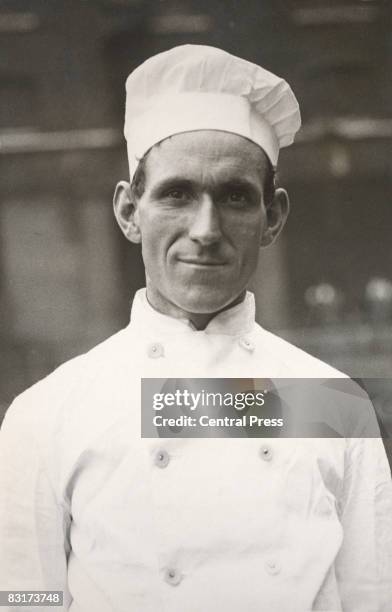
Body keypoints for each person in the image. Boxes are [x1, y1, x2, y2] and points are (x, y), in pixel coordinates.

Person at [0, 45, 391, 612]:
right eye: (177, 194)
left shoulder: (333, 405)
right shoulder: (47, 414)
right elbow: (21, 599)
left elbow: (375, 598)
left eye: (234, 197)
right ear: (130, 212)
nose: (206, 230)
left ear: (273, 216)